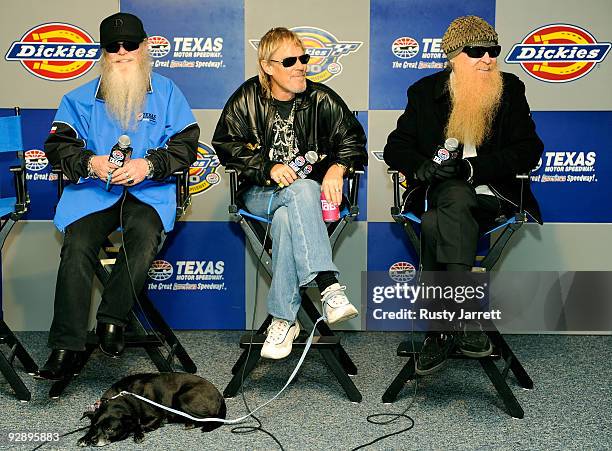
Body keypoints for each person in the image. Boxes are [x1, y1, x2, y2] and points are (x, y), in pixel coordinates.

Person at [37, 12, 199, 380]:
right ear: (103, 53)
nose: (122, 52)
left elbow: (186, 145)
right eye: (113, 47)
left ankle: (112, 318)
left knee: (143, 237)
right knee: (77, 246)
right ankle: (65, 346)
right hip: (95, 192)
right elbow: (57, 146)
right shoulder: (77, 98)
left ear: (144, 47)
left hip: (149, 191)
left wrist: (151, 165)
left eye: (130, 44)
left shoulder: (168, 92)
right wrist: (90, 162)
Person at [384, 16, 543, 375]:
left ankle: (441, 331)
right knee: (447, 200)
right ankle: (465, 321)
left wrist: (473, 169)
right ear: (453, 56)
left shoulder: (510, 89)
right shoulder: (425, 91)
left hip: (492, 196)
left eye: (493, 51)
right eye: (476, 51)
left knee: (435, 220)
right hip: (441, 193)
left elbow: (529, 149)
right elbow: (396, 147)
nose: (488, 59)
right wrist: (421, 166)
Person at [213, 27, 367, 360]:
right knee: (302, 190)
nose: (301, 66)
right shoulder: (246, 98)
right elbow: (226, 144)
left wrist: (338, 167)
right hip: (259, 195)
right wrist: (266, 166)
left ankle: (284, 318)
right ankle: (328, 284)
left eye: (304, 58)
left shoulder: (321, 98)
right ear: (268, 66)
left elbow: (352, 138)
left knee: (287, 217)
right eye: (290, 61)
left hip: (300, 202)